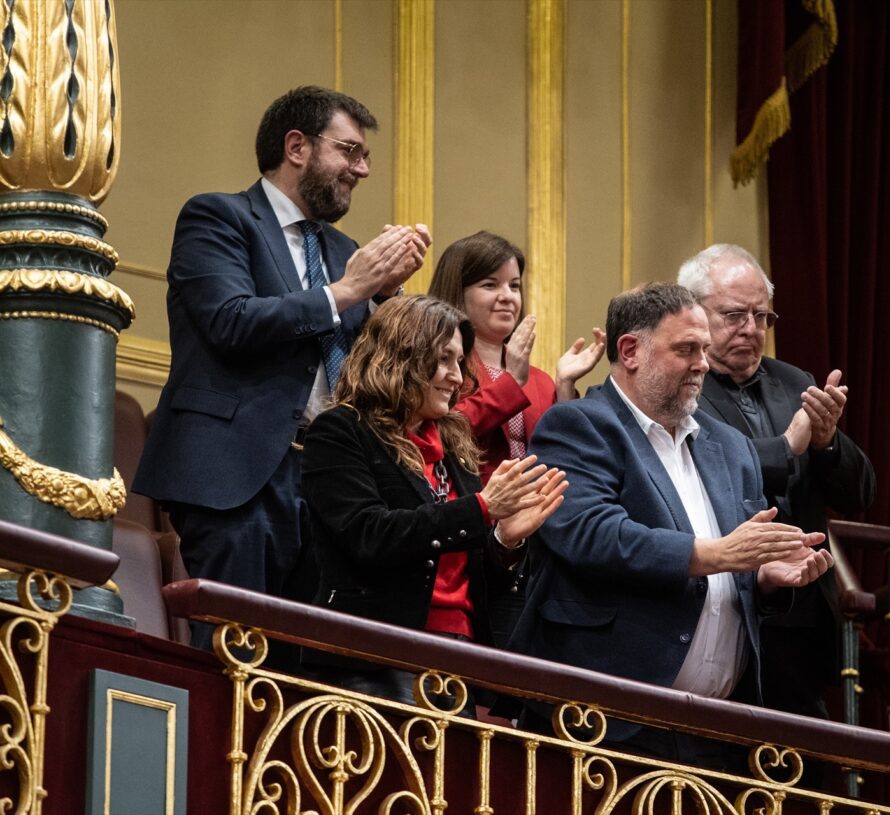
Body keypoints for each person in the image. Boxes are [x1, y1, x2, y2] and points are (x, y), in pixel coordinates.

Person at [133, 86, 430, 649]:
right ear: (297, 146)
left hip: (330, 481)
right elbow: (231, 320)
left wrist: (390, 300)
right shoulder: (218, 217)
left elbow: (377, 377)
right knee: (233, 656)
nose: (362, 169)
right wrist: (348, 291)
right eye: (349, 151)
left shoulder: (348, 253)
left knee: (307, 666)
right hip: (238, 475)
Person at [510, 282, 833, 767]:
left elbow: (739, 560)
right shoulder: (578, 425)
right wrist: (716, 554)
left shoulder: (732, 447)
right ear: (630, 350)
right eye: (686, 349)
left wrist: (764, 577)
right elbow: (589, 533)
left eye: (704, 349)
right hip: (607, 722)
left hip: (717, 729)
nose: (703, 363)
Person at [300, 295, 566, 702]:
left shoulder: (454, 447)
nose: (457, 377)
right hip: (373, 658)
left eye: (460, 363)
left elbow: (471, 573)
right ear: (401, 354)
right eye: (443, 360)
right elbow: (369, 535)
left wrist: (504, 542)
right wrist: (481, 510)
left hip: (459, 660)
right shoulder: (340, 431)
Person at [678, 244, 875, 720]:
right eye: (734, 315)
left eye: (761, 316)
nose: (751, 328)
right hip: (724, 605)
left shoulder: (794, 382)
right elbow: (714, 468)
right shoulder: (681, 383)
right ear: (694, 312)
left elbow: (861, 494)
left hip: (802, 616)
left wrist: (826, 441)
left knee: (801, 779)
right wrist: (789, 444)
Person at [427, 231, 605, 644]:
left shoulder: (538, 377)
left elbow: (563, 458)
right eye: (490, 284)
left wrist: (563, 389)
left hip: (537, 550)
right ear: (458, 292)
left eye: (514, 285)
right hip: (471, 543)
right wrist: (510, 382)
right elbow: (445, 433)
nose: (507, 296)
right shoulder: (440, 367)